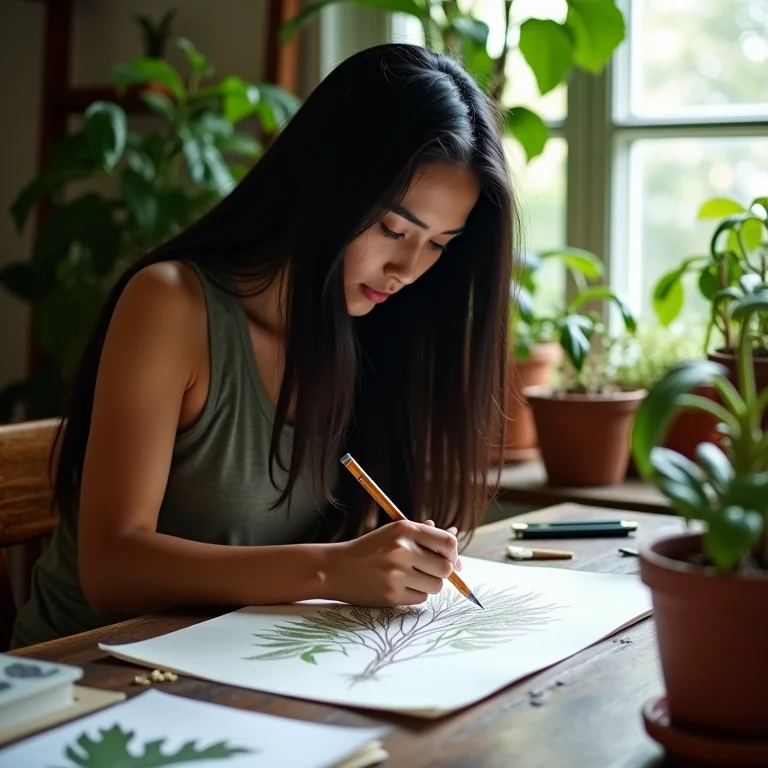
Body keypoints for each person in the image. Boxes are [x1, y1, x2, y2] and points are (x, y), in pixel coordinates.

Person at [10, 43, 517, 649]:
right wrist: (331, 570)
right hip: (87, 677)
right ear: (324, 181)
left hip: (235, 661)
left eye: (439, 244)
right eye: (393, 228)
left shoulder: (373, 328)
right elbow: (111, 571)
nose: (407, 267)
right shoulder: (172, 305)